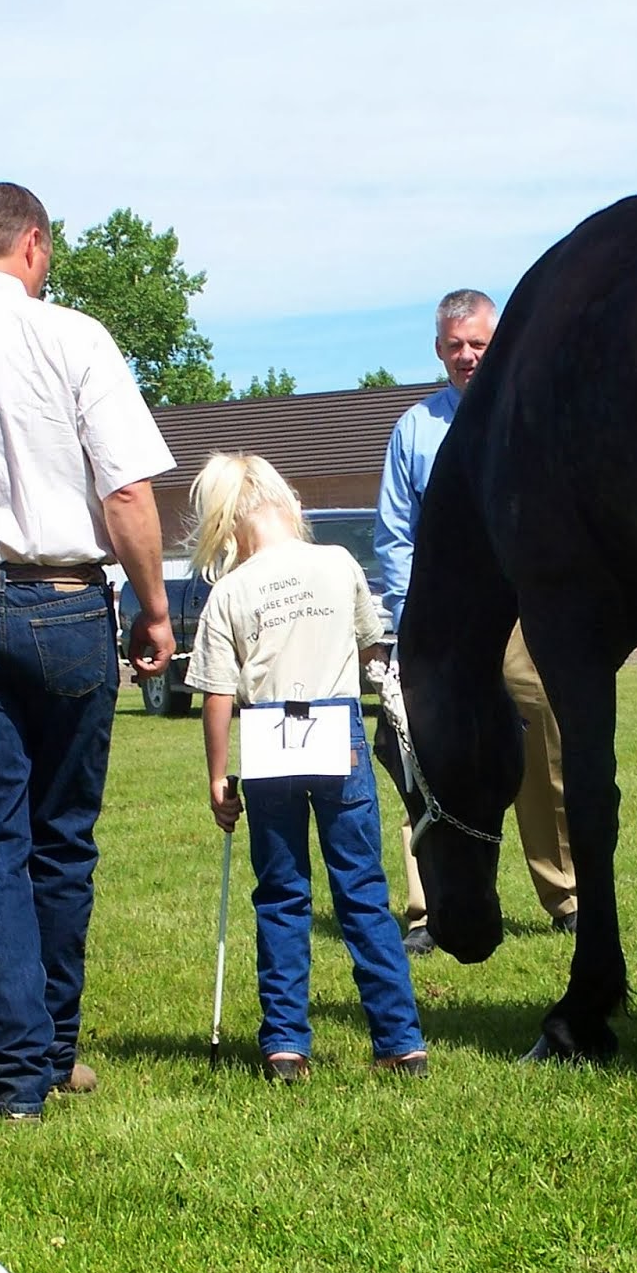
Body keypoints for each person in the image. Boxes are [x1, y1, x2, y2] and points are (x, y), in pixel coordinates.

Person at [0, 181, 175, 1122]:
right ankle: (53, 1051)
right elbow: (129, 497)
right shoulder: (72, 337)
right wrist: (155, 609)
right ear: (33, 245)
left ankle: (12, 1077)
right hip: (64, 604)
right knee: (61, 841)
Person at [184, 452, 428, 1079]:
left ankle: (286, 1045)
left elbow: (216, 694)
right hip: (335, 728)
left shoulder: (230, 591)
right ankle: (400, 1042)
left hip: (269, 735)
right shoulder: (338, 564)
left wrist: (218, 777)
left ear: (227, 522)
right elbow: (372, 645)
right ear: (286, 502)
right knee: (362, 891)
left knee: (282, 894)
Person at [375, 288, 577, 955]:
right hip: (440, 625)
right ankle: (429, 908)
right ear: (439, 350)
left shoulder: (527, 419)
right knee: (424, 756)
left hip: (520, 614)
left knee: (540, 731)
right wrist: (411, 631)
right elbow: (394, 535)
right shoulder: (415, 430)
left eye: (479, 345)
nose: (467, 356)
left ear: (499, 347)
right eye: (456, 345)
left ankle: (563, 892)